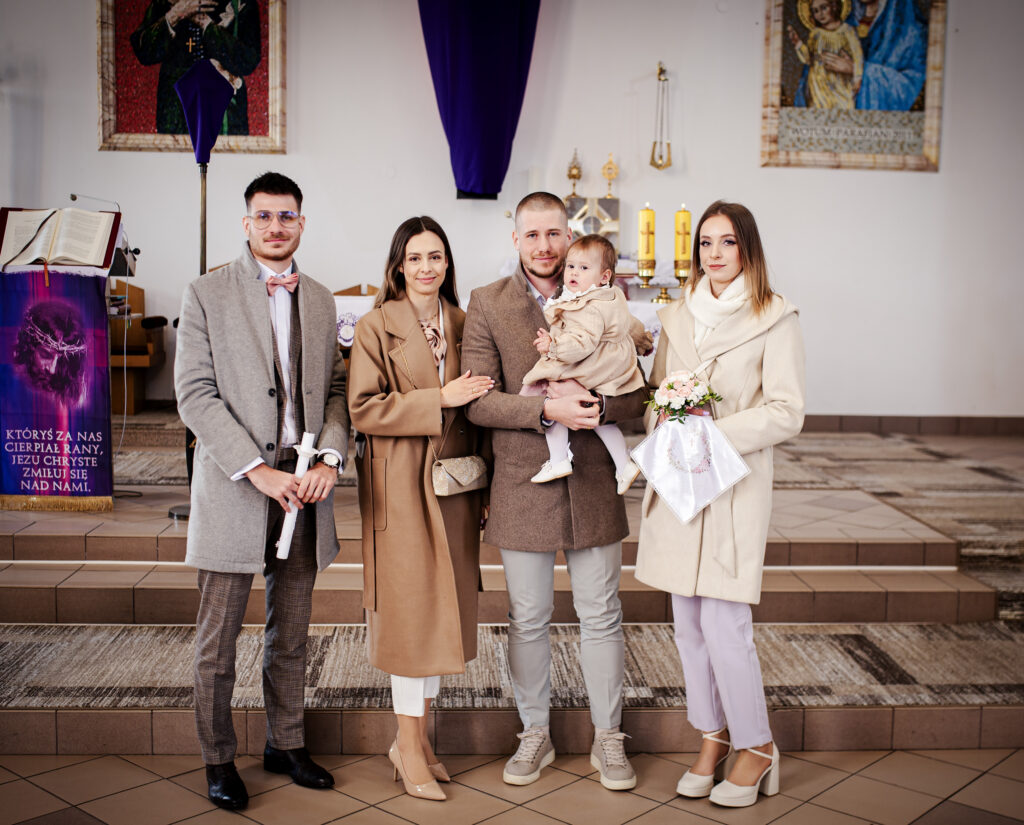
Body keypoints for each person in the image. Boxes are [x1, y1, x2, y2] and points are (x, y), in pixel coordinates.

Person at [462, 192, 649, 791]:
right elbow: (478, 402)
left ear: (571, 237)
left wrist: (599, 407)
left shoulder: (609, 297)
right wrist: (546, 412)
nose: (544, 246)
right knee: (528, 616)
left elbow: (638, 389)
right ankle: (534, 733)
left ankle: (608, 736)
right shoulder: (488, 302)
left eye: (554, 234)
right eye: (532, 234)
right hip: (523, 482)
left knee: (602, 612)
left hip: (593, 478)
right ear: (515, 239)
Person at [175, 172, 349, 811]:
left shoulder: (322, 299)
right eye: (265, 216)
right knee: (218, 641)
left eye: (287, 216)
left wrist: (330, 457)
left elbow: (337, 390)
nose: (277, 227)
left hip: (304, 487)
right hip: (238, 485)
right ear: (246, 223)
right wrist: (256, 470)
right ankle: (219, 758)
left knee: (292, 631)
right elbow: (195, 394)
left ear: (302, 223)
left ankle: (286, 743)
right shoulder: (206, 293)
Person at [635, 201, 805, 808]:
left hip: (732, 484)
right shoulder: (676, 314)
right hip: (682, 484)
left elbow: (787, 410)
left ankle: (757, 745)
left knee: (725, 624)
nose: (714, 253)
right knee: (687, 623)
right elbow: (655, 399)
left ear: (747, 248)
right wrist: (668, 419)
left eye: (727, 242)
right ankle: (713, 736)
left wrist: (711, 428)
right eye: (705, 242)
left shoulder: (775, 317)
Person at [348, 217, 493, 802]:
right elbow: (363, 408)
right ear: (399, 266)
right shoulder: (375, 326)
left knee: (441, 615)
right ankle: (407, 745)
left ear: (447, 264)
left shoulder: (465, 323)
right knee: (410, 617)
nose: (426, 267)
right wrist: (439, 397)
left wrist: (485, 489)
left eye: (436, 257)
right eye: (415, 258)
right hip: (401, 484)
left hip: (455, 484)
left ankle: (419, 741)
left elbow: (482, 409)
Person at [521, 234, 644, 494]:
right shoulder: (610, 296)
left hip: (593, 363)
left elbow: (582, 343)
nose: (574, 273)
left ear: (604, 276)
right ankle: (624, 464)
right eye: (571, 266)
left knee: (551, 397)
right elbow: (628, 324)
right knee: (598, 419)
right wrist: (643, 341)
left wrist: (553, 346)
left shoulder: (588, 307)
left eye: (584, 268)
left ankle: (558, 460)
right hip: (613, 364)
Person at [131, 0, 261, 134]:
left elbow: (248, 60)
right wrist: (175, 14)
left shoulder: (240, 2)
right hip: (176, 113)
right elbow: (144, 52)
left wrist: (206, 24)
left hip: (224, 114)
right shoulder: (165, 2)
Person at [788, 0, 863, 110]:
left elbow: (857, 55)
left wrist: (857, 77)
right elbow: (809, 59)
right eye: (815, 11)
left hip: (840, 83)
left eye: (823, 8)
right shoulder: (815, 34)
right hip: (818, 84)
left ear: (834, 6)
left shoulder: (847, 30)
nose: (820, 14)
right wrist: (798, 44)